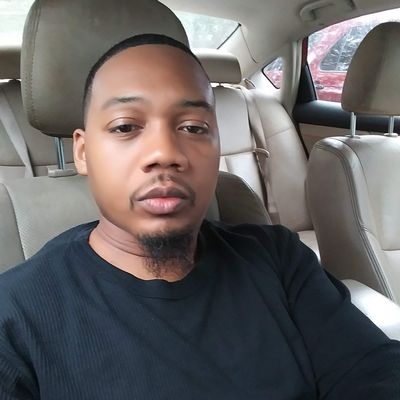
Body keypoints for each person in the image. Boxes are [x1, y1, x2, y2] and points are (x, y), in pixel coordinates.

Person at [0, 34, 399, 400]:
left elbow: (372, 371)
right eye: (125, 126)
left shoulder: (278, 259)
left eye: (193, 127)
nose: (164, 153)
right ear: (83, 153)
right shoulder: (15, 315)